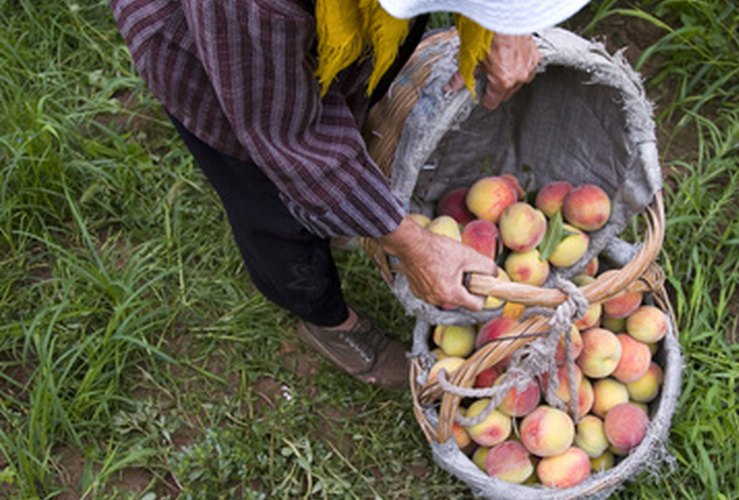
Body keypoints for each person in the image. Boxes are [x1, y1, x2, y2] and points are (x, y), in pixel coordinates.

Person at [108, 0, 590, 389]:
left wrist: (504, 20)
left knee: (348, 113)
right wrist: (412, 246)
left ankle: (345, 208)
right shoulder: (254, 9)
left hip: (332, 27)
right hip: (219, 57)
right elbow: (291, 141)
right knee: (272, 197)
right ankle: (326, 322)